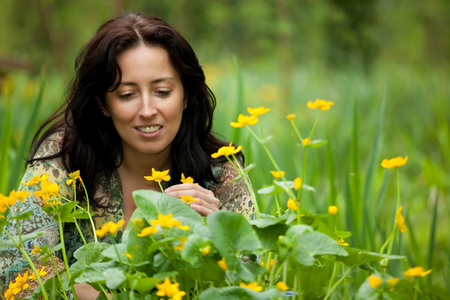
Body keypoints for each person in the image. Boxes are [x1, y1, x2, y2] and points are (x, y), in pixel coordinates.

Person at [0, 12, 256, 298]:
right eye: (127, 95)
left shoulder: (219, 171)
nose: (147, 110)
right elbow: (14, 267)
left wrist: (219, 236)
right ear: (103, 103)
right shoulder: (66, 157)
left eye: (162, 91)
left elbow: (253, 278)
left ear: (185, 96)